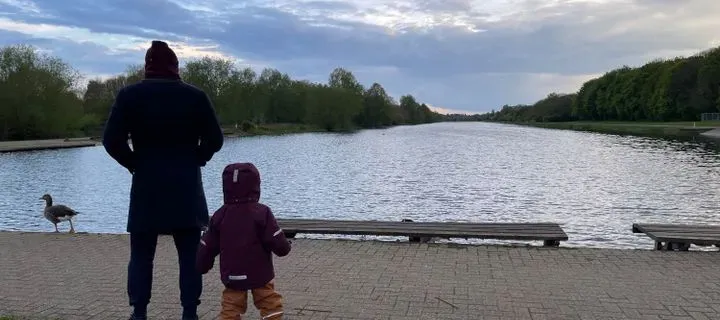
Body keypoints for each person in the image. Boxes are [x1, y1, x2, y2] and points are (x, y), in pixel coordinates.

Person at [102, 40, 224, 320]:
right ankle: (189, 312)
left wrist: (134, 163)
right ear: (175, 66)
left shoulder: (129, 96)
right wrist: (198, 158)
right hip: (185, 186)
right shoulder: (195, 97)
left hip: (147, 186)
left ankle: (139, 312)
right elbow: (215, 139)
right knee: (189, 255)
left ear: (147, 66)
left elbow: (111, 141)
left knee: (142, 255)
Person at [196, 162, 291, 320]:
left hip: (232, 273)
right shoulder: (262, 212)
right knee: (269, 303)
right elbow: (276, 239)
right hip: (260, 272)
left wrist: (201, 265)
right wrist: (285, 248)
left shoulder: (219, 215)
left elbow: (207, 245)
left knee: (230, 307)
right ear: (256, 185)